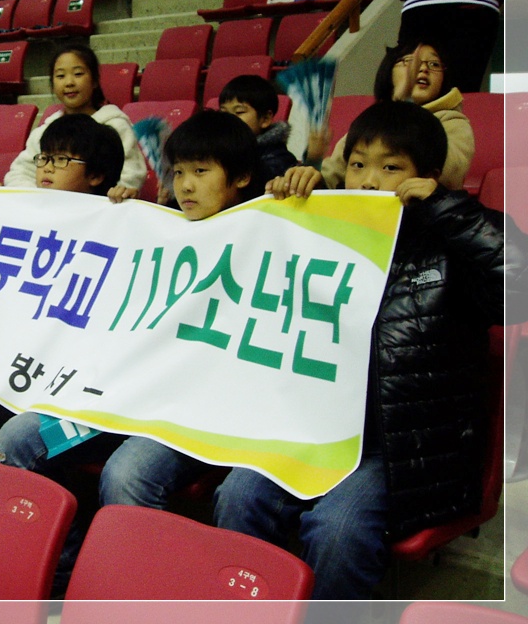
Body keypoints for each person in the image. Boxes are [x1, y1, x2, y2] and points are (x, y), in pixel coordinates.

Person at [213, 100, 528, 599]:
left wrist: (447, 207)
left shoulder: (449, 245)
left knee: (337, 529)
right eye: (358, 164)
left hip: (404, 445)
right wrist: (291, 198)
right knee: (237, 496)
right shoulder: (329, 229)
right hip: (317, 427)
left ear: (427, 176)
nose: (369, 181)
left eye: (391, 167)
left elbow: (518, 282)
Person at [0, 111, 262, 595]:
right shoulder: (153, 227)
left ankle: (136, 594)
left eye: (201, 172)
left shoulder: (269, 233)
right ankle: (66, 572)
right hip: (119, 394)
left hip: (190, 412)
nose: (185, 185)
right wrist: (119, 215)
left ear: (241, 177)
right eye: (178, 171)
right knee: (18, 437)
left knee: (126, 475)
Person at [0, 113, 125, 460]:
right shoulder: (29, 221)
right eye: (44, 158)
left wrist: (129, 203)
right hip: (21, 366)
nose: (47, 168)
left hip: (71, 378)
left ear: (97, 175)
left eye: (61, 159)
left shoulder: (121, 224)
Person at [320, 42, 474, 191]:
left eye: (434, 64)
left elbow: (448, 174)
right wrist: (312, 172)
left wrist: (405, 108)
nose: (423, 69)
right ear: (388, 71)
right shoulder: (374, 121)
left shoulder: (453, 121)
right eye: (410, 61)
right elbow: (332, 175)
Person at [3, 44, 147, 199]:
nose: (69, 82)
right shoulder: (45, 131)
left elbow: (131, 175)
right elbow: (20, 173)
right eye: (60, 76)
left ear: (94, 80)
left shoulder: (115, 126)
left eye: (78, 74)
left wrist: (115, 197)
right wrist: (42, 198)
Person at [218, 74, 297, 185]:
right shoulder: (218, 151)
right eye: (223, 113)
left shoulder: (278, 160)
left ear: (265, 119)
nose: (228, 119)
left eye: (239, 112)